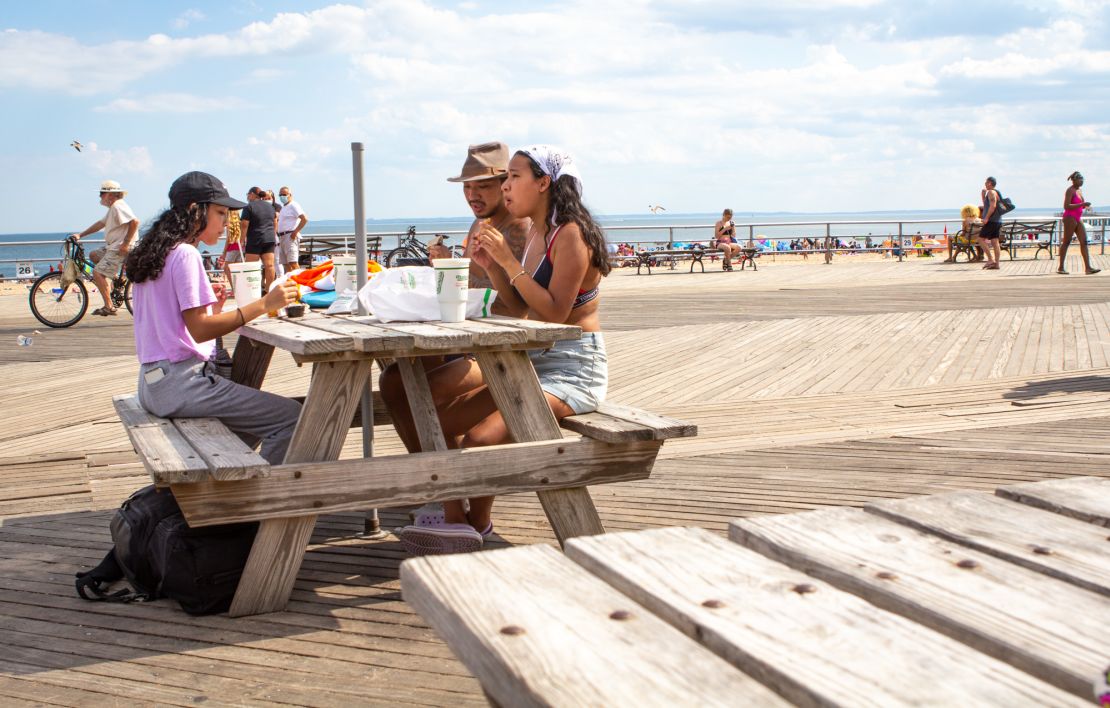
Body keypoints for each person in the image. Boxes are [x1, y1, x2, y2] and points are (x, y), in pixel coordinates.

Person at [392, 145, 609, 555]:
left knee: (477, 441)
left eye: (513, 178)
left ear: (544, 182)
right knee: (433, 414)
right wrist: (492, 263)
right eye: (505, 178)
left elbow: (554, 314)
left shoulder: (572, 235)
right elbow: (519, 303)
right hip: (530, 359)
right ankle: (461, 521)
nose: (506, 187)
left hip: (573, 369)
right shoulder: (538, 231)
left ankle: (468, 525)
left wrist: (508, 261)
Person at [124, 171, 300, 463]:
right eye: (220, 213)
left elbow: (171, 325)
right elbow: (200, 331)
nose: (226, 223)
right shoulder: (186, 255)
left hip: (152, 383)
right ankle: (264, 500)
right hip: (183, 384)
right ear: (196, 210)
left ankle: (229, 491)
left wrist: (214, 311)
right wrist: (266, 302)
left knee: (250, 425)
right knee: (290, 418)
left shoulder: (157, 252)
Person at [428, 141, 530, 297]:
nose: (472, 196)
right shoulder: (478, 223)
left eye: (483, 186)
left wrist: (451, 268)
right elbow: (470, 282)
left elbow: (512, 305)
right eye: (467, 186)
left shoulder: (520, 229)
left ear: (506, 185)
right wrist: (446, 263)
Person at [72, 180, 140, 316]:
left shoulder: (118, 206)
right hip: (113, 246)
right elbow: (100, 224)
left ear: (110, 195)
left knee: (98, 273)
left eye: (101, 193)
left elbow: (135, 222)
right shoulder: (113, 209)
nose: (100, 196)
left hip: (119, 248)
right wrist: (80, 235)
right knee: (94, 255)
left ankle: (109, 306)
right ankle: (116, 279)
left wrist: (126, 244)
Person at [1057, 171, 1100, 275]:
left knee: (1084, 241)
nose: (1082, 181)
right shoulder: (1070, 190)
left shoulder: (1079, 190)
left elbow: (1081, 204)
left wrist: (1085, 205)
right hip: (1069, 217)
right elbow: (1066, 206)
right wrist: (1082, 204)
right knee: (1066, 242)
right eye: (1080, 179)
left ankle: (1088, 268)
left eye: (1082, 180)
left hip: (1078, 217)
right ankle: (1061, 267)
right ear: (1074, 180)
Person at [240, 186, 278, 288]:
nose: (247, 197)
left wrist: (241, 240)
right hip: (269, 239)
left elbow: (244, 225)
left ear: (252, 194)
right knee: (269, 266)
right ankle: (269, 291)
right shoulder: (270, 207)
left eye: (248, 194)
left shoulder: (249, 207)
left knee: (250, 267)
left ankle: (251, 290)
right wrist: (273, 235)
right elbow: (275, 222)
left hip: (255, 239)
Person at [276, 185, 309, 274]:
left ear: (290, 195)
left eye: (284, 194)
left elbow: (304, 218)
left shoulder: (293, 205)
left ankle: (300, 282)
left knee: (293, 262)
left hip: (289, 236)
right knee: (286, 264)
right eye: (280, 195)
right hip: (282, 237)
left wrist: (295, 231)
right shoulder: (284, 207)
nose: (282, 196)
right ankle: (291, 282)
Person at [977, 177, 1003, 270]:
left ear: (990, 183)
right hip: (997, 220)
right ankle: (996, 264)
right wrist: (983, 196)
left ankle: (990, 260)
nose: (985, 184)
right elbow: (987, 206)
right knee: (995, 241)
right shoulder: (993, 192)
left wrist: (986, 218)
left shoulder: (991, 192)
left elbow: (993, 206)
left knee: (980, 239)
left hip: (992, 221)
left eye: (986, 182)